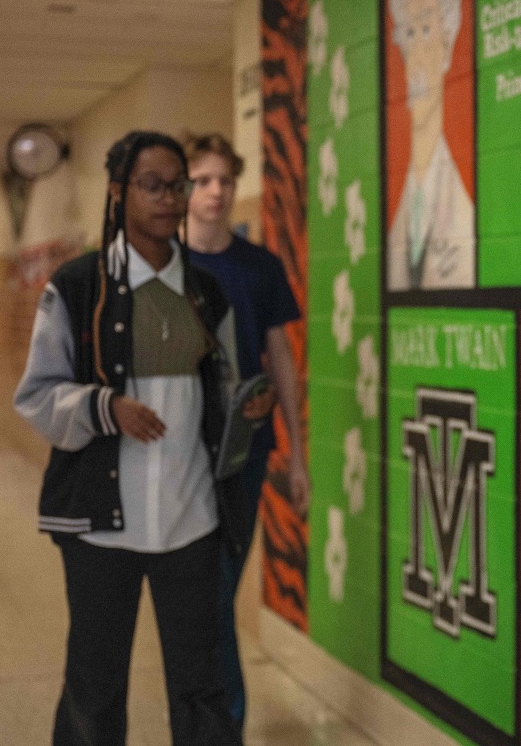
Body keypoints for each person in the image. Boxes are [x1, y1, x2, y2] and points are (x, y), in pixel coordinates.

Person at [14, 130, 244, 745]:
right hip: (100, 528)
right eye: (153, 185)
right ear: (120, 193)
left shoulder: (205, 292)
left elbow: (223, 394)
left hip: (190, 522)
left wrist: (247, 410)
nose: (170, 198)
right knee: (95, 685)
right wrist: (105, 406)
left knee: (201, 687)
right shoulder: (79, 286)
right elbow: (35, 396)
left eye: (179, 185)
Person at [182, 131, 309, 726]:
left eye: (225, 181)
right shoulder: (160, 263)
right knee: (196, 603)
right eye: (202, 180)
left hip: (243, 454)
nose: (215, 191)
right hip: (174, 457)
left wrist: (299, 456)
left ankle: (222, 724)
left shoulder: (258, 266)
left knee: (213, 596)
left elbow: (281, 357)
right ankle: (210, 721)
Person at [386, 0, 476, 290]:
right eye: (408, 33)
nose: (415, 58)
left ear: (448, 42)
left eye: (425, 29)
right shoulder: (400, 220)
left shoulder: (463, 218)